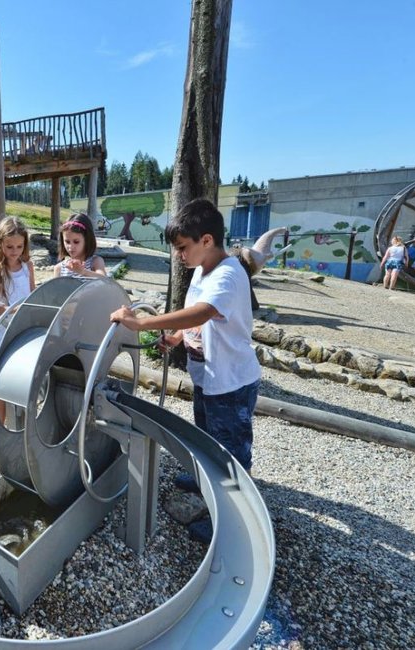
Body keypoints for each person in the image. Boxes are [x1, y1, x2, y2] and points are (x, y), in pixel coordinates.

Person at [109, 198, 261, 544]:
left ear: (206, 241)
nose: (179, 255)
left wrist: (142, 322)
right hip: (207, 378)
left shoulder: (228, 274)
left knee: (231, 455)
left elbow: (202, 312)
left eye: (182, 248)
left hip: (231, 382)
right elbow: (191, 314)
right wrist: (176, 337)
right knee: (206, 438)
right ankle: (204, 479)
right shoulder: (201, 270)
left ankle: (233, 521)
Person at [0, 217, 36, 424]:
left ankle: (22, 425)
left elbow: (33, 296)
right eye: (9, 246)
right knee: (2, 382)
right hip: (3, 334)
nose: (14, 251)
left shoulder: (28, 267)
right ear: (0, 244)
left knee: (23, 379)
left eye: (19, 246)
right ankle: (1, 425)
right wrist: (12, 309)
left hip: (23, 331)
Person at [54, 213, 107, 279]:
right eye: (67, 242)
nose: (71, 246)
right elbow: (56, 288)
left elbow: (105, 280)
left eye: (76, 242)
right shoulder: (59, 268)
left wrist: (83, 272)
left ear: (87, 240)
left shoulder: (95, 262)